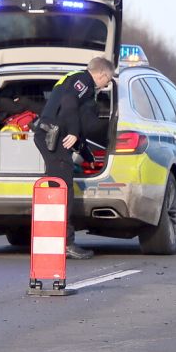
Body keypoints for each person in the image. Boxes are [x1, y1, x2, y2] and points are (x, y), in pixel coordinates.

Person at [33, 56, 114, 259]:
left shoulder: (76, 81)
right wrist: (75, 132)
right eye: (109, 80)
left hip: (53, 136)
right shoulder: (84, 81)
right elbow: (69, 103)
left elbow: (72, 115)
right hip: (52, 136)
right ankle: (65, 243)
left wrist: (86, 153)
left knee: (58, 188)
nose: (107, 84)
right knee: (62, 190)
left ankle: (53, 240)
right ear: (103, 74)